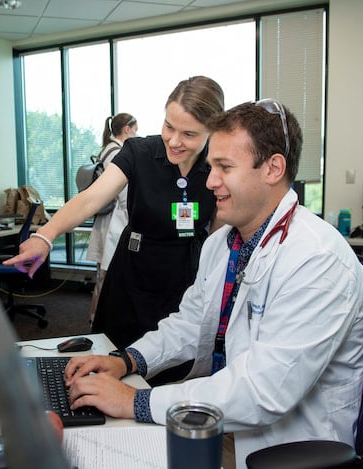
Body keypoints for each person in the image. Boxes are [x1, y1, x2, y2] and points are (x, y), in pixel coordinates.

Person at [63, 100, 363, 469]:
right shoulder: (222, 245)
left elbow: (263, 391)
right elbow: (190, 323)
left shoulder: (318, 260)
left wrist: (133, 401)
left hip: (284, 448)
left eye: (224, 167)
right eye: (211, 166)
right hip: (221, 427)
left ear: (273, 168)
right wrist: (126, 361)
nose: (209, 182)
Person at [5, 77, 224, 373]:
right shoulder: (139, 152)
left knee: (173, 363)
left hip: (184, 276)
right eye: (168, 126)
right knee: (115, 359)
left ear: (211, 131)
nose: (174, 140)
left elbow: (221, 230)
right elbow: (90, 199)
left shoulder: (217, 165)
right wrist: (45, 236)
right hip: (134, 272)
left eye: (188, 134)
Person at [86, 113, 138, 324]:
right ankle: (97, 325)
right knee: (106, 281)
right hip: (115, 222)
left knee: (103, 279)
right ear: (127, 129)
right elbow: (124, 197)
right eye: (135, 129)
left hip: (108, 221)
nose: (136, 133)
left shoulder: (106, 151)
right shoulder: (117, 153)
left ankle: (95, 321)